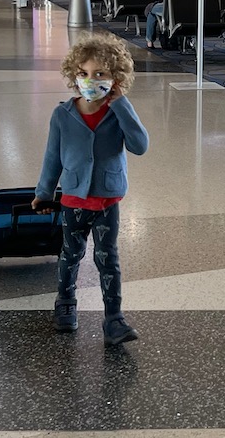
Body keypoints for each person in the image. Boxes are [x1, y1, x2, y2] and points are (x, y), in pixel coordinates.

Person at [32, 33, 148, 344]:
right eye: (83, 73)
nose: (90, 80)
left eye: (100, 74)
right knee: (70, 254)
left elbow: (140, 145)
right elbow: (52, 157)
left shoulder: (117, 112)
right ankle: (65, 303)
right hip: (73, 199)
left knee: (108, 258)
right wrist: (44, 193)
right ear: (73, 74)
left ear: (115, 78)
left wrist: (121, 103)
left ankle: (114, 319)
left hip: (107, 200)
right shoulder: (63, 114)